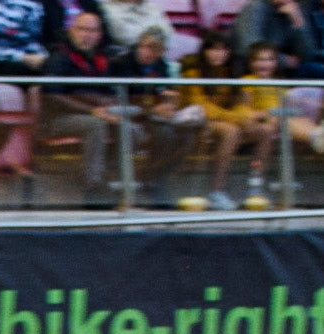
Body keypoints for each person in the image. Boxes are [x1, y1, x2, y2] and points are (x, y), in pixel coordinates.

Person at [41, 10, 137, 204]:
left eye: (92, 31)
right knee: (95, 124)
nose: (87, 35)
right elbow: (51, 95)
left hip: (97, 114)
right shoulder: (59, 57)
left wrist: (111, 109)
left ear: (99, 35)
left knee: (131, 129)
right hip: (58, 119)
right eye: (82, 29)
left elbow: (109, 92)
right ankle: (93, 188)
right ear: (72, 31)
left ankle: (117, 179)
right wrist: (92, 111)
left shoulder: (101, 60)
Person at [183, 30, 275, 208]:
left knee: (265, 131)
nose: (218, 54)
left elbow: (237, 104)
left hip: (226, 119)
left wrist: (246, 117)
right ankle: (216, 191)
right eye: (213, 49)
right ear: (204, 51)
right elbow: (202, 107)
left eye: (223, 50)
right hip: (197, 121)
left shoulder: (230, 72)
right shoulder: (193, 73)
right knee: (231, 131)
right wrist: (236, 118)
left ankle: (255, 189)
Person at [116, 29, 203, 205]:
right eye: (146, 47)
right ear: (138, 45)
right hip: (129, 116)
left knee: (188, 135)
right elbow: (120, 98)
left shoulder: (161, 66)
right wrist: (152, 109)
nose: (150, 53)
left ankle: (159, 176)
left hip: (155, 117)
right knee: (165, 134)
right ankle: (150, 178)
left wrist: (171, 104)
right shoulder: (122, 64)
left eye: (157, 49)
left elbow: (167, 92)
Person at [231, 0, 324, 78]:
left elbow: (307, 55)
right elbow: (248, 47)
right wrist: (283, 60)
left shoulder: (293, 10)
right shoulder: (256, 8)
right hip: (253, 67)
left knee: (313, 67)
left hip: (283, 71)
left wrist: (298, 22)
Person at [0, 0, 49, 74]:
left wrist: (40, 56)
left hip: (33, 57)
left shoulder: (32, 5)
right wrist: (20, 57)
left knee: (50, 64)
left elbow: (33, 39)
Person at [96, 0, 174, 56]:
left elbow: (168, 34)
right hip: (123, 62)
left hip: (157, 61)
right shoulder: (106, 9)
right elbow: (125, 35)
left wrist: (151, 37)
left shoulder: (151, 8)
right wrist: (154, 35)